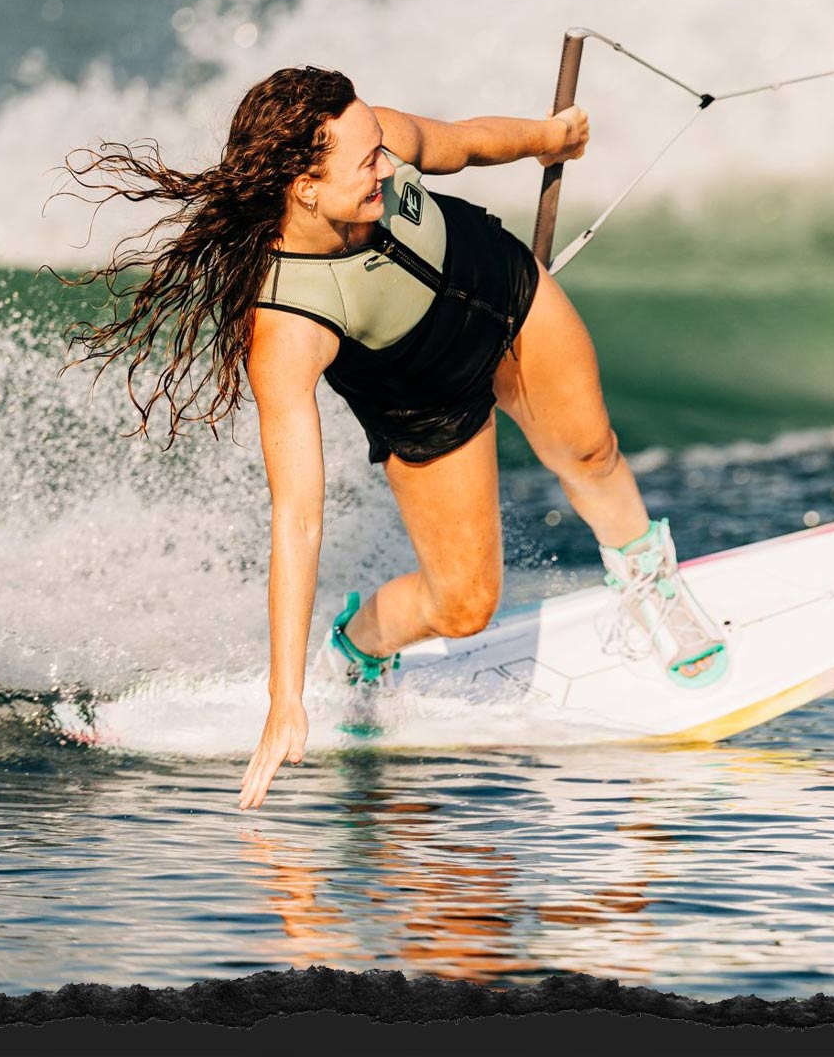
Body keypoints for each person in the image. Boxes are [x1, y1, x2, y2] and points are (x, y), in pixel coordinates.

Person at [56, 66, 726, 812]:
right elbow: (297, 517)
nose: (386, 165)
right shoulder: (284, 322)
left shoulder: (369, 134)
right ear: (306, 188)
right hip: (428, 403)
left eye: (380, 147)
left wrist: (549, 137)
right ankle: (358, 643)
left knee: (592, 451)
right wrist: (286, 696)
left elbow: (462, 142)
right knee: (463, 608)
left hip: (506, 287)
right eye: (367, 161)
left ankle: (646, 578)